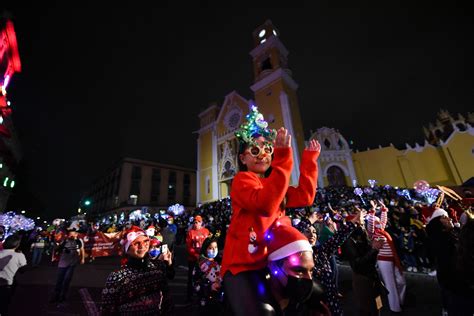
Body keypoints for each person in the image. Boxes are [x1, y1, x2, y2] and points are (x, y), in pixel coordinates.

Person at [221, 105, 321, 316]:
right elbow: (266, 205)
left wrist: (310, 160)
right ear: (243, 158)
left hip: (268, 261)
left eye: (268, 149)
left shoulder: (273, 183)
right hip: (242, 266)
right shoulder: (242, 180)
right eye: (254, 150)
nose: (262, 155)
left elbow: (305, 196)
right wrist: (283, 158)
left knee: (309, 299)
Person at [297, 210, 363, 316]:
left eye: (314, 232)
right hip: (310, 307)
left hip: (332, 304)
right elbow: (294, 233)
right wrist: (310, 220)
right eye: (307, 231)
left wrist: (354, 222)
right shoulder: (296, 255)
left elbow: (338, 237)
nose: (312, 234)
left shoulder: (321, 252)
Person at [100, 226, 173, 315]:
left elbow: (167, 298)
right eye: (136, 243)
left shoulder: (158, 266)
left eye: (145, 241)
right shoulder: (116, 277)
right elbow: (107, 311)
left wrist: (169, 264)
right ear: (127, 249)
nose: (142, 246)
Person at [266, 218, 330, 315]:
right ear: (274, 267)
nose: (309, 278)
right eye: (299, 271)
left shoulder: (314, 302)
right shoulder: (258, 305)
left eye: (311, 271)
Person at [426, 207, 473, 316]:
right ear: (437, 224)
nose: (449, 219)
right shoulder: (441, 241)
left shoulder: (454, 234)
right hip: (455, 285)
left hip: (463, 284)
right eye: (444, 217)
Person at [366, 200, 406, 313]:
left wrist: (383, 208)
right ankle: (395, 308)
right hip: (383, 260)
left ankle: (400, 301)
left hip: (392, 258)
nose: (379, 222)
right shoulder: (372, 232)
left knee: (401, 281)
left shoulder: (382, 230)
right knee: (391, 284)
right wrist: (372, 210)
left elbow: (383, 220)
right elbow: (370, 224)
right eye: (376, 221)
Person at [342, 222, 386, 316]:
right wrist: (373, 249)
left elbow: (371, 262)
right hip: (362, 279)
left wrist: (376, 249)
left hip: (373, 277)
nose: (361, 225)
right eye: (358, 223)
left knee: (378, 305)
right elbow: (357, 265)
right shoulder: (349, 241)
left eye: (362, 223)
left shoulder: (364, 238)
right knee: (367, 308)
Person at [50, 228, 85, 304]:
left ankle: (63, 297)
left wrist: (82, 259)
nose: (72, 235)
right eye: (70, 234)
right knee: (59, 281)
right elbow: (56, 249)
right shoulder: (64, 241)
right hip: (62, 264)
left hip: (72, 264)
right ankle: (56, 296)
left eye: (73, 234)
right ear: (68, 235)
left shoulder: (79, 241)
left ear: (76, 234)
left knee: (66, 281)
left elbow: (82, 249)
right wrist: (55, 255)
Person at [194, 233, 224, 315]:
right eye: (211, 248)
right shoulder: (200, 264)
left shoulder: (218, 262)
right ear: (205, 249)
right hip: (205, 300)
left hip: (219, 299)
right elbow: (196, 283)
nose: (214, 250)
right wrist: (209, 286)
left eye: (215, 247)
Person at [0, 234, 27, 316]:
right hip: (7, 285)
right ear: (17, 244)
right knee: (3, 306)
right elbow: (23, 270)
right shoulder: (19, 255)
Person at [185, 215, 210, 302]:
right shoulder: (190, 232)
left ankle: (204, 295)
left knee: (205, 277)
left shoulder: (206, 231)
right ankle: (189, 296)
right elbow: (188, 247)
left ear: (201, 222)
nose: (196, 224)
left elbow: (210, 243)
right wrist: (196, 255)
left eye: (198, 222)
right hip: (193, 260)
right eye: (195, 222)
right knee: (191, 278)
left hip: (204, 259)